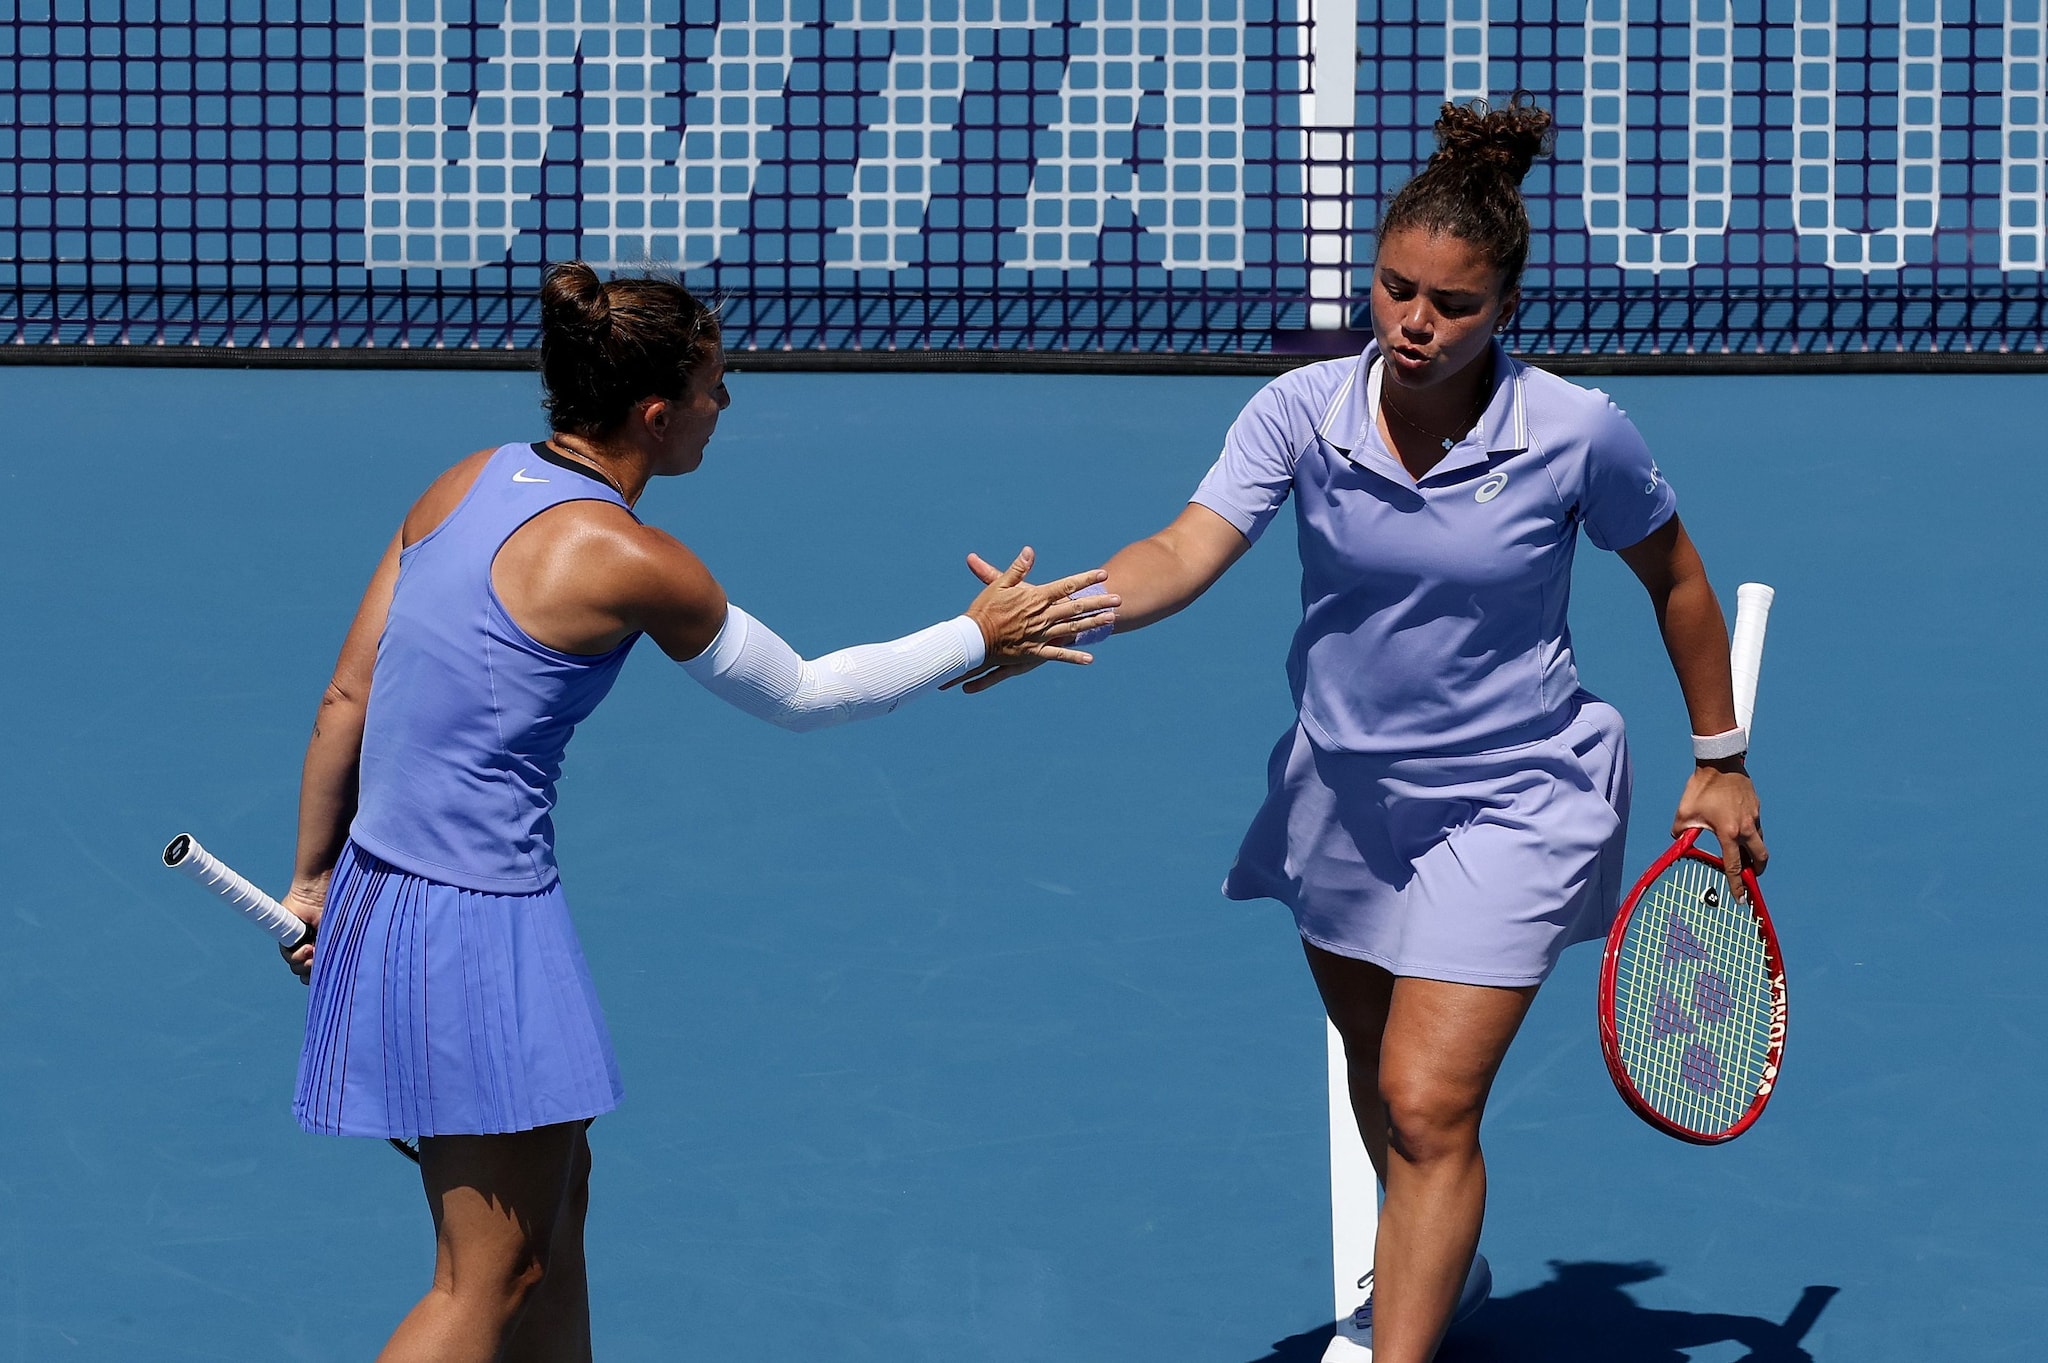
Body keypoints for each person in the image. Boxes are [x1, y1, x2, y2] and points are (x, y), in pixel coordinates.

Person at [953, 98, 1766, 1363]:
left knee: (1427, 1103)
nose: (1413, 324)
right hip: (1340, 795)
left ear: (1504, 308)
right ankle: (1436, 1266)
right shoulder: (1300, 410)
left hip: (1514, 796)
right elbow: (1183, 546)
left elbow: (1674, 578)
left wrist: (1718, 759)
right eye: (1392, 290)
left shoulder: (1572, 431)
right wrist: (1062, 608)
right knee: (1380, 1070)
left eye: (1450, 305)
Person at [275, 261, 1116, 1363]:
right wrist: (976, 634)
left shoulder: (461, 481)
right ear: (657, 414)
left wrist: (312, 879)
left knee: (554, 1213)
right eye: (718, 385)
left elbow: (349, 693)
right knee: (478, 1282)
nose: (729, 403)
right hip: (471, 929)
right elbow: (808, 695)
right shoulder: (630, 558)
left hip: (388, 887)